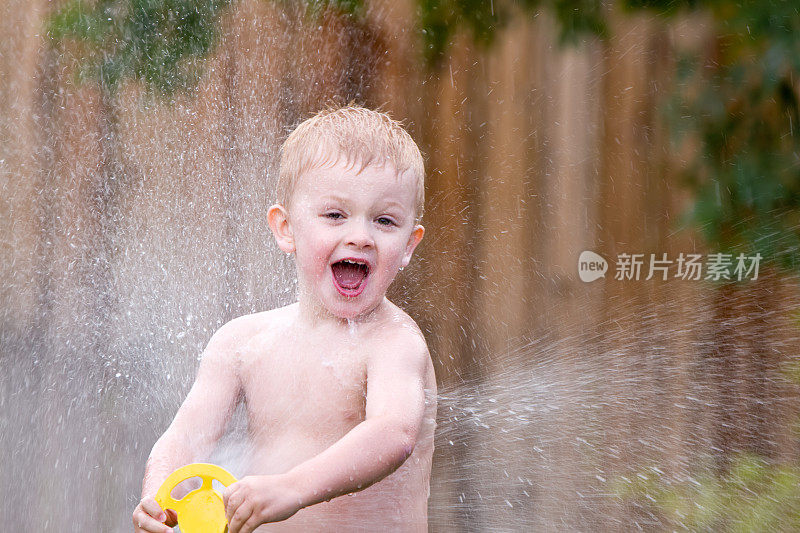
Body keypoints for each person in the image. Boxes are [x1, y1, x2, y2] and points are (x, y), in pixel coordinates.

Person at [132, 106, 437, 533]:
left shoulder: (394, 341)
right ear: (285, 228)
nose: (360, 236)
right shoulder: (242, 343)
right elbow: (184, 438)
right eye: (334, 215)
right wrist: (156, 497)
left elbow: (393, 434)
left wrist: (290, 489)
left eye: (385, 221)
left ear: (408, 245)